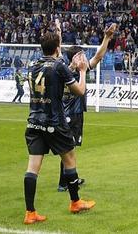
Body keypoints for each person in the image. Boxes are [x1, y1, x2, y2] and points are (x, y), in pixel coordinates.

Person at [23, 31, 95, 225]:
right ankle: (75, 202)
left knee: (32, 168)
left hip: (33, 121)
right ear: (57, 48)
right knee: (70, 159)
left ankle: (30, 212)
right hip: (54, 122)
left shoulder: (32, 66)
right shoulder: (59, 66)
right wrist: (81, 71)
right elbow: (79, 91)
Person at [57, 23, 116, 192]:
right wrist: (107, 37)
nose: (84, 58)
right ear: (75, 58)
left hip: (70, 114)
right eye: (81, 55)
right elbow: (96, 57)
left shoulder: (65, 69)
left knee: (69, 149)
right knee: (68, 150)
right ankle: (64, 183)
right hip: (71, 115)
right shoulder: (72, 72)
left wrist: (107, 38)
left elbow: (97, 57)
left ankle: (68, 179)